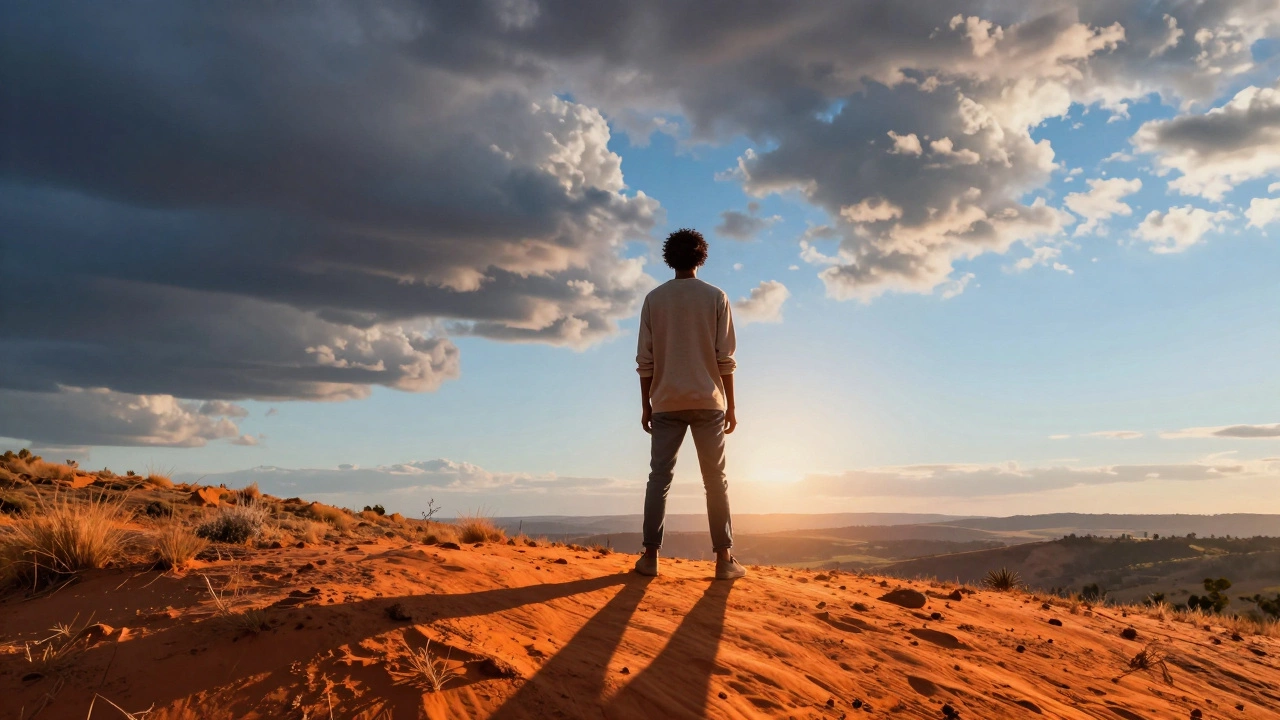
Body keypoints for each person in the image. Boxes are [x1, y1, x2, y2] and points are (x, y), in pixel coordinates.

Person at [634, 228, 747, 580]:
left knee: (659, 479)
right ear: (701, 257)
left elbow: (645, 360)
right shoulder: (716, 297)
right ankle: (724, 560)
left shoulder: (654, 299)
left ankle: (650, 558)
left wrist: (646, 405)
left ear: (669, 258)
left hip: (666, 401)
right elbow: (724, 357)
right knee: (715, 480)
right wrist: (730, 404)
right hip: (708, 402)